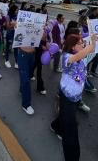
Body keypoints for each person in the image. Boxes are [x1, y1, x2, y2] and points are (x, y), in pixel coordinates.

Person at [51, 33, 96, 161]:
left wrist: (94, 44)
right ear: (72, 46)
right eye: (80, 43)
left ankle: (55, 126)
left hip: (76, 97)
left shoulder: (82, 57)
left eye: (83, 43)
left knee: (65, 118)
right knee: (71, 132)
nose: (83, 44)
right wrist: (91, 43)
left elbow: (89, 52)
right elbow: (78, 56)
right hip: (67, 98)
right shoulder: (66, 57)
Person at [4, 5, 19, 69]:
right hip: (10, 34)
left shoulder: (17, 16)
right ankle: (6, 60)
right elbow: (7, 27)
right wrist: (13, 25)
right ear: (13, 10)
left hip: (16, 34)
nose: (17, 11)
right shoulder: (8, 16)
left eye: (17, 10)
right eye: (16, 10)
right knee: (8, 47)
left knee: (16, 48)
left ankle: (16, 62)